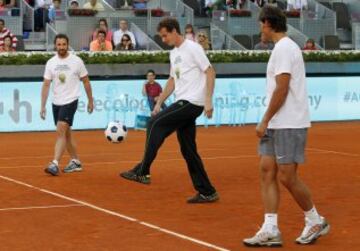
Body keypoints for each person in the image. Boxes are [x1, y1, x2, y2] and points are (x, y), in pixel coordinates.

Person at [243, 6, 329, 247]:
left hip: (288, 121)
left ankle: (315, 220)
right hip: (278, 122)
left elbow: (282, 88)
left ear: (268, 24)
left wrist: (265, 119)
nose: (260, 28)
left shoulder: (284, 49)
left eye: (261, 24)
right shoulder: (282, 48)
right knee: (266, 169)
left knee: (287, 176)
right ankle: (270, 228)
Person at [120, 17, 219, 204]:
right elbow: (173, 80)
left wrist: (208, 100)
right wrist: (159, 103)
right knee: (188, 149)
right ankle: (207, 191)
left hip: (193, 102)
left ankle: (143, 171)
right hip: (183, 100)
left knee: (154, 123)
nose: (163, 40)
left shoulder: (193, 48)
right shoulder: (174, 54)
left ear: (174, 31)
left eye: (165, 36)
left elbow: (210, 71)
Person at [41, 34, 94, 176]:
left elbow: (86, 81)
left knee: (60, 129)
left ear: (68, 45)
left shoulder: (77, 61)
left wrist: (90, 100)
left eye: (64, 44)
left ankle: (54, 163)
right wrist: (42, 105)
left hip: (71, 100)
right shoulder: (51, 63)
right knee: (66, 133)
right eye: (59, 45)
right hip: (56, 102)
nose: (62, 47)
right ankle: (75, 161)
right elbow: (46, 85)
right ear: (55, 46)